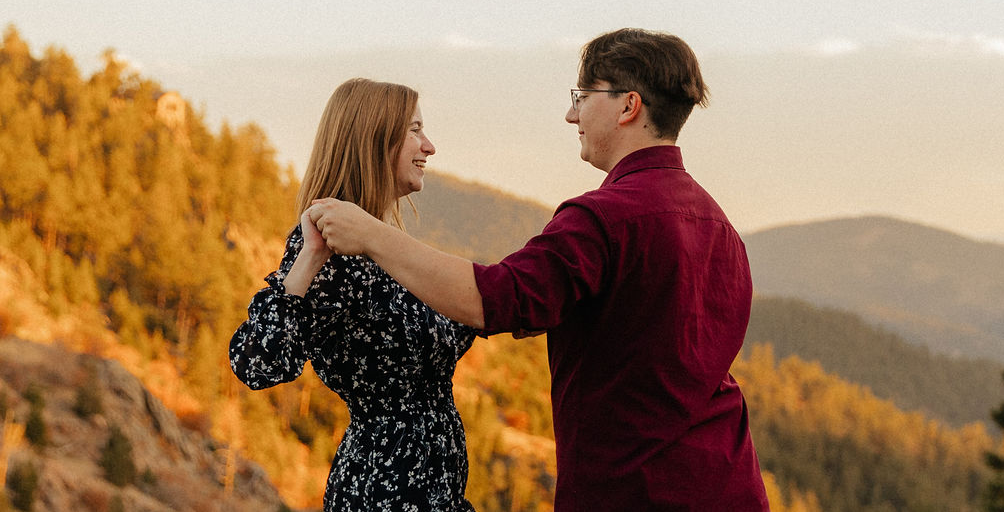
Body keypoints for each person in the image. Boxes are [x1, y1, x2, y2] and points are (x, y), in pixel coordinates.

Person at [309, 29, 770, 511]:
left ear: (628, 106)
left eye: (582, 96)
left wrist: (370, 235)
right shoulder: (720, 226)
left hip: (635, 491)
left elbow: (499, 300)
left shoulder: (603, 219)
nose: (572, 114)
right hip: (731, 484)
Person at [228, 78, 477, 512]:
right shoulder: (332, 247)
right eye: (415, 130)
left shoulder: (387, 249)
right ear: (375, 140)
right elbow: (257, 363)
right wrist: (310, 257)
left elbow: (468, 305)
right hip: (382, 494)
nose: (429, 146)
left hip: (435, 494)